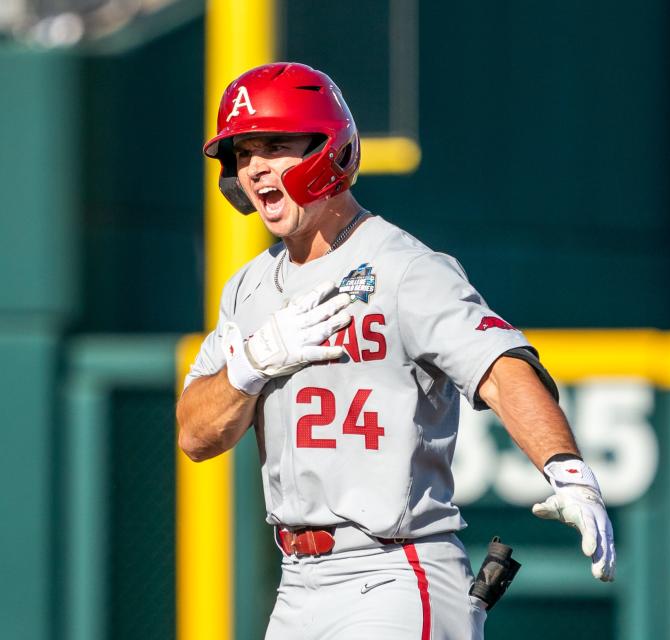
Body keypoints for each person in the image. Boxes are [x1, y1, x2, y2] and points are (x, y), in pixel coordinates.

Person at [176, 62, 615, 640]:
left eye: (276, 145)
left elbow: (502, 369)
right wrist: (250, 367)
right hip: (296, 582)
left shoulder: (405, 268)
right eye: (243, 152)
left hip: (395, 570)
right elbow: (195, 436)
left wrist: (568, 469)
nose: (255, 167)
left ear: (326, 149)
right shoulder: (248, 289)